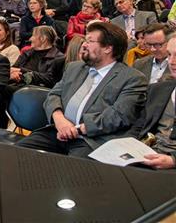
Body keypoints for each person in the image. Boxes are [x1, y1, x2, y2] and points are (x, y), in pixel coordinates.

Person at [17, 22, 147, 157]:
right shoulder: (75, 68)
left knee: (73, 171)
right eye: (85, 40)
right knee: (15, 153)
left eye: (90, 41)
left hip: (92, 139)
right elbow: (53, 95)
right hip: (57, 132)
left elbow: (118, 116)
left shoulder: (132, 78)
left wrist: (76, 130)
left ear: (108, 48)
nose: (84, 44)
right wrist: (60, 120)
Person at [128, 34, 176, 170]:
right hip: (148, 154)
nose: (172, 61)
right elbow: (139, 125)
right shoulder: (157, 90)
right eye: (169, 55)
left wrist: (173, 160)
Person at [10, 26, 65, 90]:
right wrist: (13, 74)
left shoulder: (58, 58)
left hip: (37, 89)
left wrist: (23, 71)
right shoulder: (27, 53)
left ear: (43, 39)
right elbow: (14, 68)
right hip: (17, 84)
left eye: (33, 36)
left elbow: (50, 79)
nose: (30, 39)